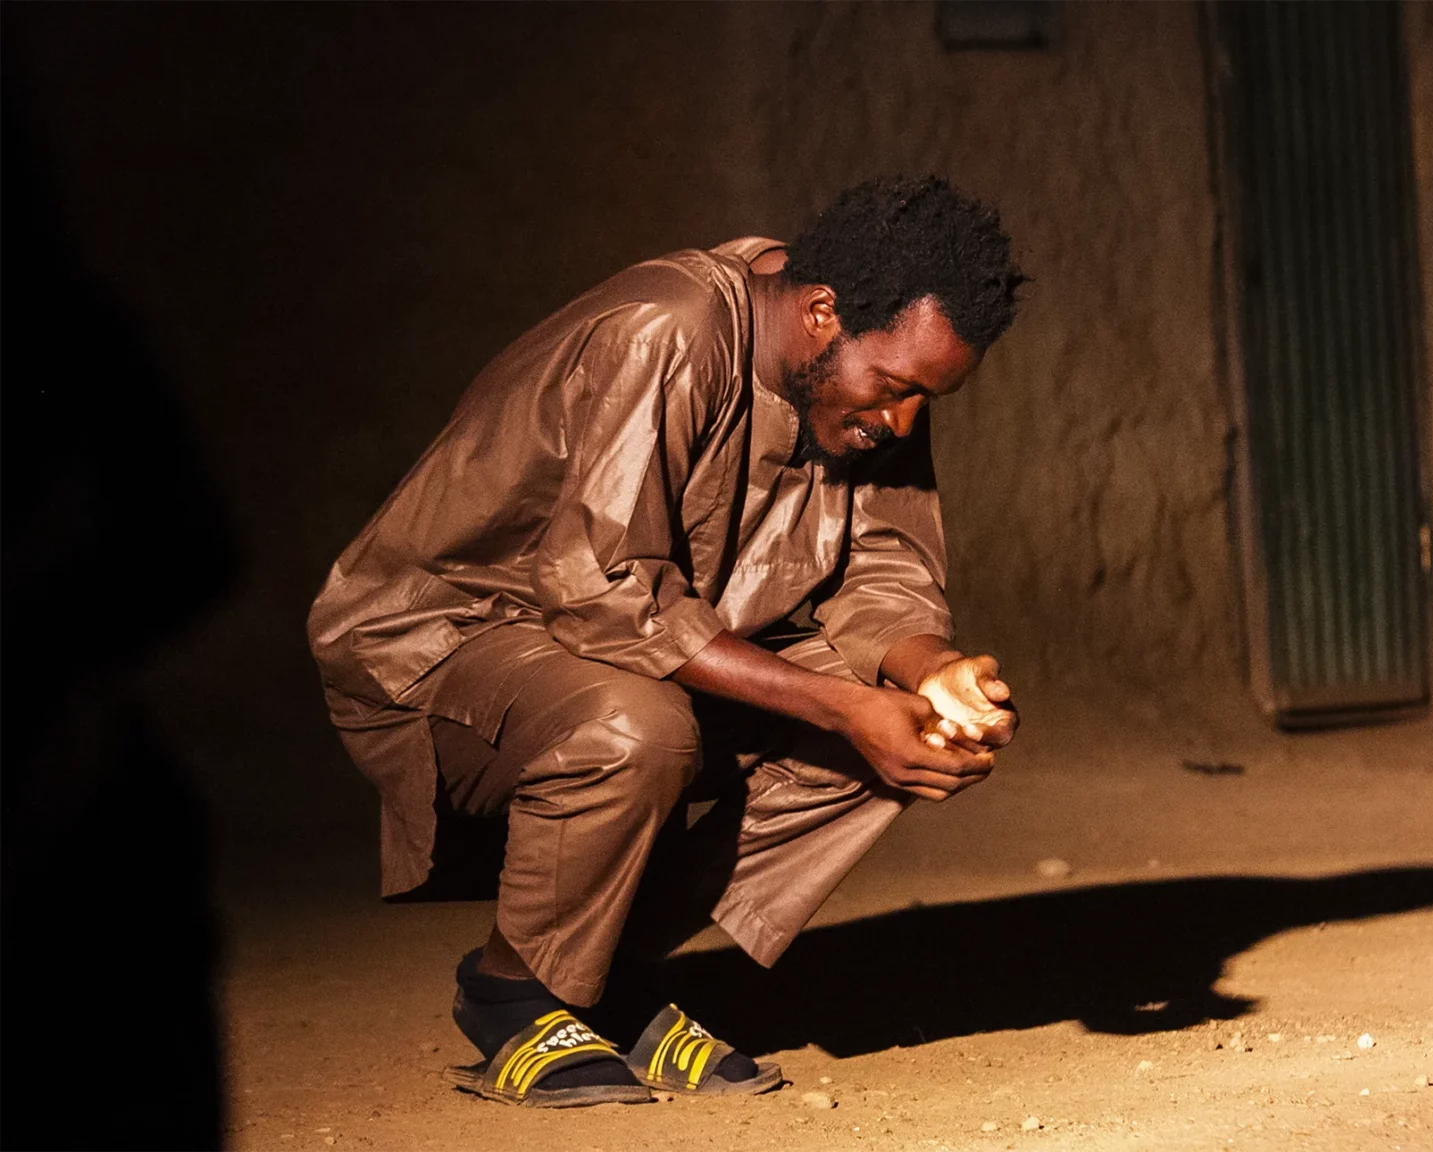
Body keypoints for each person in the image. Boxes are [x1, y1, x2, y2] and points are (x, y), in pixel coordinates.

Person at [307, 174, 1024, 1107]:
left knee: (908, 733)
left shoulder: (863, 381)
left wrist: (932, 672)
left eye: (927, 398)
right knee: (638, 726)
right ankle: (514, 994)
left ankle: (599, 981)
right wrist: (846, 703)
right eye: (893, 389)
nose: (901, 422)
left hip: (635, 641)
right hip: (443, 641)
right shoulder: (671, 330)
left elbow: (883, 574)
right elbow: (607, 595)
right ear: (819, 311)